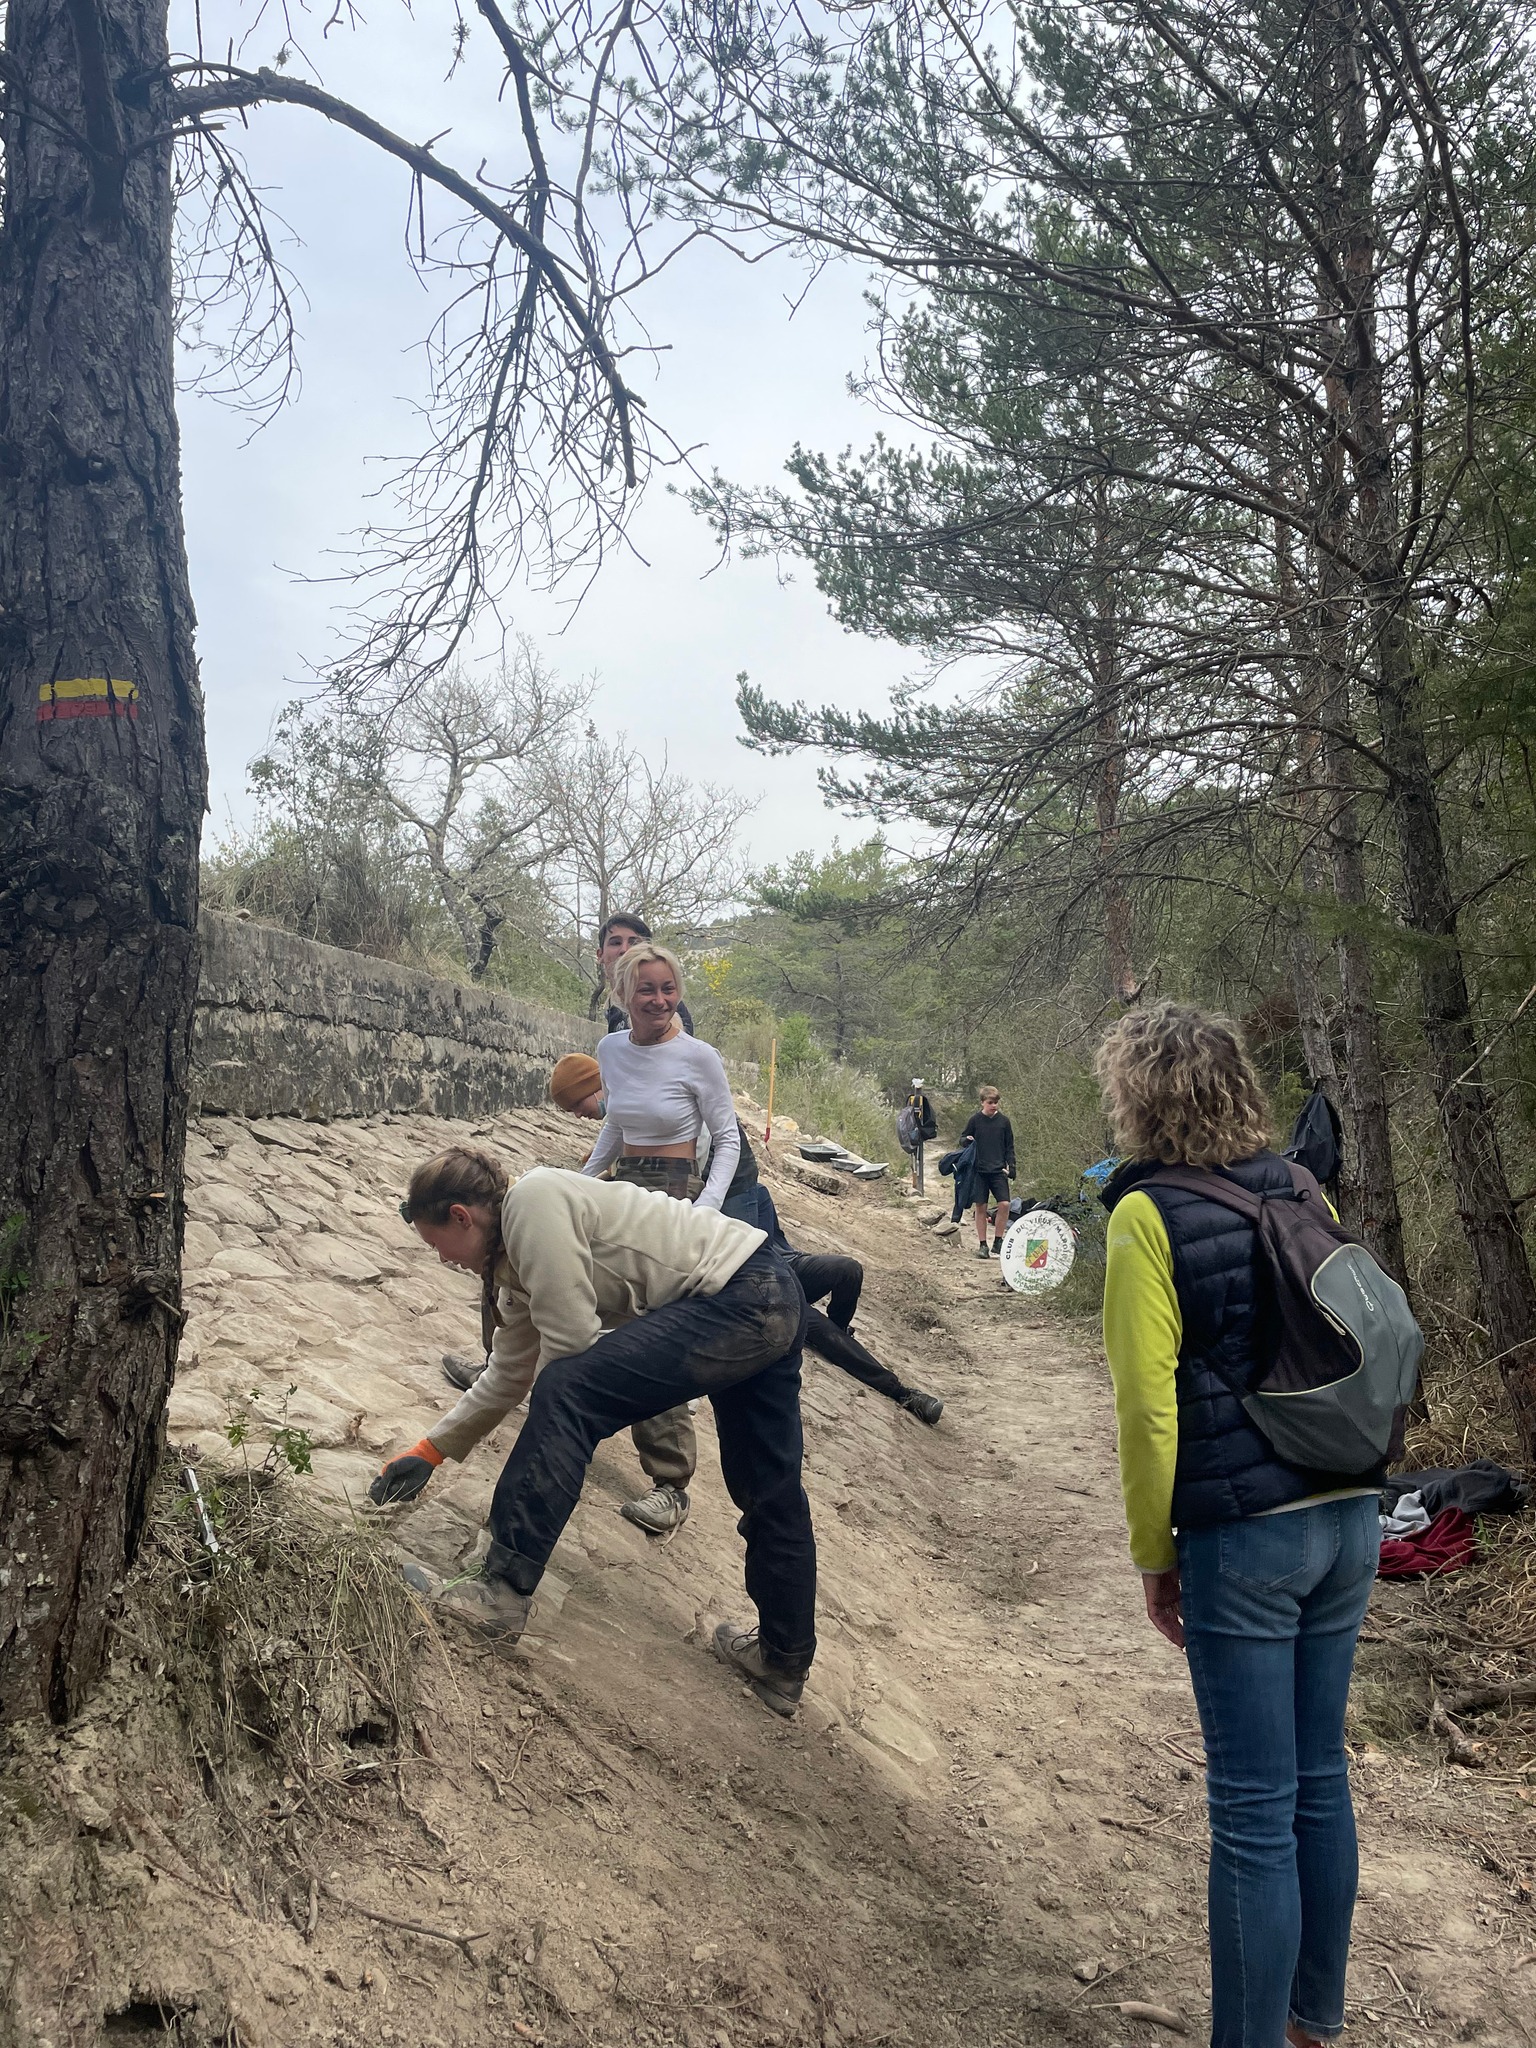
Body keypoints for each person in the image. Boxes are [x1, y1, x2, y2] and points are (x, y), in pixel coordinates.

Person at [1096, 1001, 1382, 2048]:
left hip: (1249, 1537)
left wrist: (1155, 1552)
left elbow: (1148, 1410)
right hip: (1350, 1512)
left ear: (1135, 1096)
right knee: (1318, 1778)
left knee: (1254, 1812)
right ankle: (1314, 2020)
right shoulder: (1303, 1186)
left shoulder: (1143, 1214)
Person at [373, 1149, 817, 1716]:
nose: (442, 1259)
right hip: (769, 1292)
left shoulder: (533, 1203)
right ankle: (782, 1661)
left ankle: (500, 1592)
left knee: (567, 1388)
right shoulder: (513, 1263)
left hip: (742, 1296)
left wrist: (543, 1454)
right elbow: (507, 1373)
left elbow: (568, 1354)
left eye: (438, 1245)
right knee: (770, 1488)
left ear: (461, 1217)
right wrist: (429, 1451)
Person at [742, 1183, 943, 1425]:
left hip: (791, 1265)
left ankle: (839, 1329)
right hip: (768, 1290)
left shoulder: (756, 1190)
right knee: (824, 1331)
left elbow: (769, 1244)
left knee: (848, 1269)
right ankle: (902, 1393)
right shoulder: (712, 1204)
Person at [594, 910, 694, 1037]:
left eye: (634, 943)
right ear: (600, 955)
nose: (624, 950)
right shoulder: (614, 1007)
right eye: (616, 943)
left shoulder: (663, 1007)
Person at [960, 1086, 1015, 1258]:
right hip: (979, 1171)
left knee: (1004, 1204)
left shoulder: (1004, 1122)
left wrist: (1012, 1166)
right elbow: (962, 1139)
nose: (994, 1106)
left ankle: (998, 1240)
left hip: (998, 1170)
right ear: (983, 1102)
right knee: (981, 1207)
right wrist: (966, 1140)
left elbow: (1009, 1146)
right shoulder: (975, 1120)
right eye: (990, 1102)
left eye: (996, 1102)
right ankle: (982, 1244)